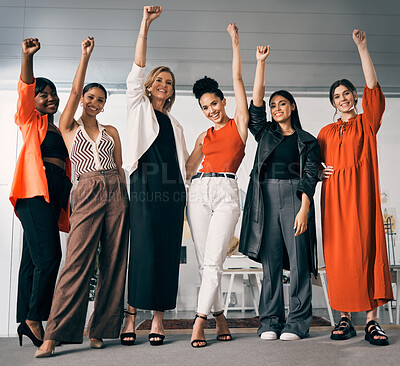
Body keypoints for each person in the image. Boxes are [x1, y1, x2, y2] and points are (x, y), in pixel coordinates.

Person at [35, 37, 129, 357]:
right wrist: (85, 56)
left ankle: (100, 329)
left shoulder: (111, 131)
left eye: (99, 99)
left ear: (104, 104)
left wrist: (125, 196)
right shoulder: (68, 126)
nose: (93, 102)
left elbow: (119, 167)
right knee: (76, 262)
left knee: (113, 261)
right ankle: (54, 334)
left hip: (116, 189)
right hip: (86, 188)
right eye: (90, 96)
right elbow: (72, 93)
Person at [239, 45, 320, 341]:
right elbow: (256, 104)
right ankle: (270, 322)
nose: (276, 109)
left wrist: (304, 208)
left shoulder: (308, 141)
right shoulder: (265, 133)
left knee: (299, 264)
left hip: (295, 200)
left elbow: (310, 176)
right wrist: (260, 63)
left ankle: (297, 324)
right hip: (265, 200)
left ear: (292, 107)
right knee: (270, 263)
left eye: (282, 104)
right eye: (274, 105)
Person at [318, 29, 393, 346]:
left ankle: (373, 322)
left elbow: (373, 86)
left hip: (361, 198)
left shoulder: (367, 122)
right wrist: (318, 173)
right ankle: (345, 318)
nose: (343, 98)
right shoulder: (324, 132)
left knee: (367, 251)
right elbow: (309, 164)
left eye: (347, 93)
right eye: (337, 96)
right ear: (333, 103)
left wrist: (362, 48)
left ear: (354, 96)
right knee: (339, 257)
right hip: (334, 201)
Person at [120, 6, 188, 346]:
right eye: (159, 80)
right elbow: (137, 69)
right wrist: (144, 24)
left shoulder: (176, 125)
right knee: (142, 248)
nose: (163, 84)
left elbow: (185, 166)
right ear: (149, 87)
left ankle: (159, 318)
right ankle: (132, 314)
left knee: (166, 250)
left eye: (169, 82)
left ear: (173, 92)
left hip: (173, 191)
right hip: (144, 184)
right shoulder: (138, 106)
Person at [185, 23, 249, 348]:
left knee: (214, 261)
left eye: (214, 104)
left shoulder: (239, 124)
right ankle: (220, 315)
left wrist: (235, 43)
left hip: (226, 191)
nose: (211, 111)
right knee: (204, 261)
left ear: (223, 101)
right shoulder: (202, 136)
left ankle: (199, 322)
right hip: (198, 193)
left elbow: (238, 80)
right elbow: (186, 168)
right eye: (205, 108)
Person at [9, 38, 72, 348]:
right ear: (32, 100)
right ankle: (36, 319)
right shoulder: (31, 121)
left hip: (53, 193)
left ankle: (26, 318)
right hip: (35, 193)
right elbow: (25, 88)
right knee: (50, 257)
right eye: (42, 94)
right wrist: (27, 57)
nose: (50, 98)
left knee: (33, 260)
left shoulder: (59, 127)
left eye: (53, 94)